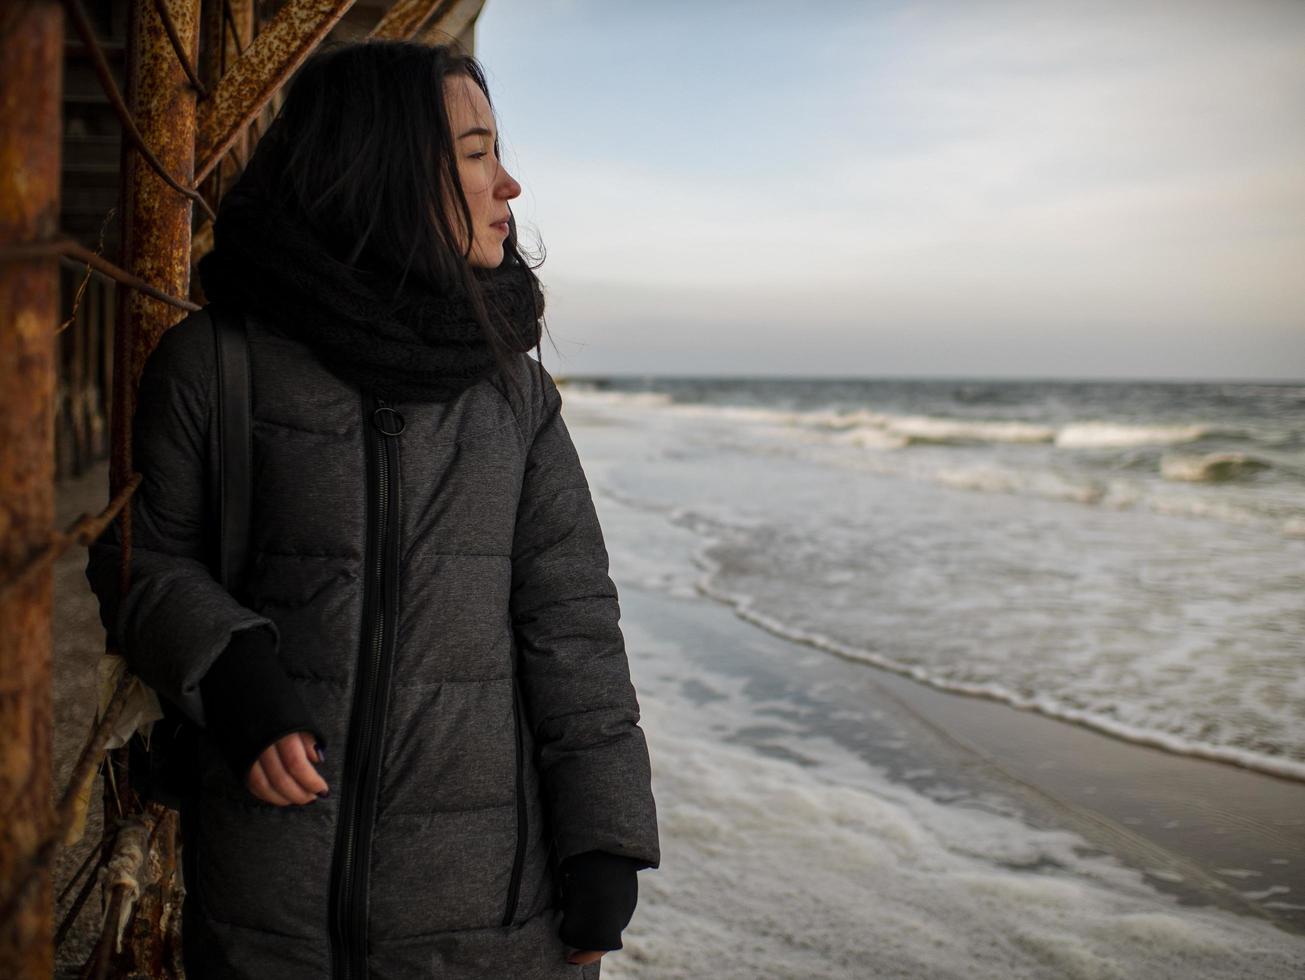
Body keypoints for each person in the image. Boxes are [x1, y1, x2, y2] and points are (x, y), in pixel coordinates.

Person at [85, 39, 660, 979]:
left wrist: (605, 840)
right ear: (384, 169)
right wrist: (227, 662)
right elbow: (135, 557)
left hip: (493, 916)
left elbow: (574, 628)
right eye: (476, 153)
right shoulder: (216, 366)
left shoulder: (512, 397)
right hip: (270, 910)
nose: (507, 184)